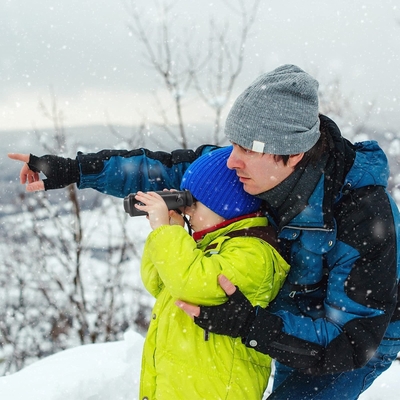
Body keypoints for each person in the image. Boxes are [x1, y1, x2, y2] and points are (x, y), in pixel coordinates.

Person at [8, 64, 400, 399]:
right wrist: (74, 170)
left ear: (292, 154)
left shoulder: (360, 214)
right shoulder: (252, 167)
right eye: (234, 143)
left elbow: (351, 341)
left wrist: (249, 325)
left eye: (247, 148)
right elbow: (162, 169)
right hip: (284, 312)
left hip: (357, 336)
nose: (231, 160)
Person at [133, 146, 290, 399]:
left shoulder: (255, 253)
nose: (188, 211)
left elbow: (192, 285)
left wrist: (167, 233)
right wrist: (167, 232)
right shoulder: (208, 247)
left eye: (193, 204)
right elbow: (160, 284)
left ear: (227, 207)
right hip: (179, 387)